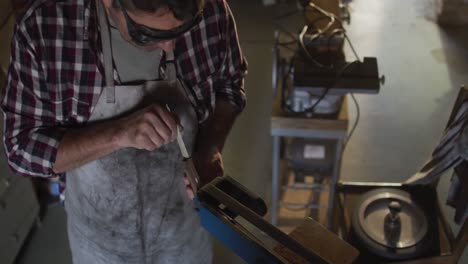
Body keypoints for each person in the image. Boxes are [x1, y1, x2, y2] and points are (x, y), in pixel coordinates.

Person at [1, 0, 247, 263]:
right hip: (99, 242)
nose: (169, 47)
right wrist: (118, 133)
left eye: (184, 29)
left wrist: (209, 150)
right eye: (149, 35)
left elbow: (230, 87)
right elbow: (21, 149)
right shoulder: (46, 27)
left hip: (184, 232)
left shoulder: (212, 9)